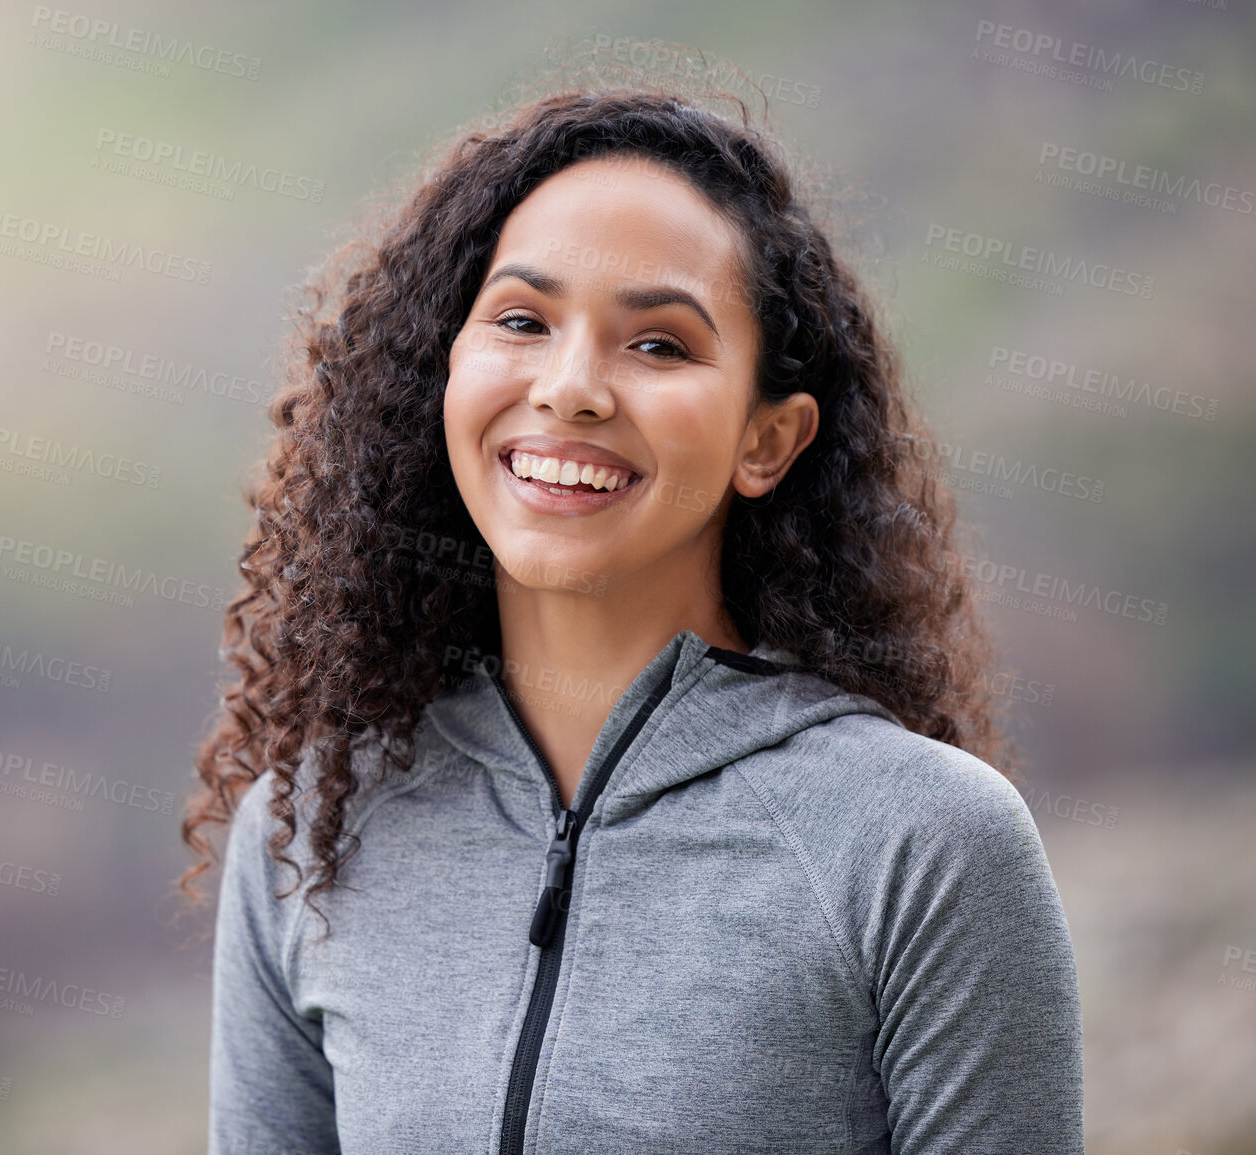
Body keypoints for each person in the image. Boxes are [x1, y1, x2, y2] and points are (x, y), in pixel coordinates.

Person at [182, 86, 1084, 1154]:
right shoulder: (312, 829)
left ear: (769, 440)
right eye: (521, 320)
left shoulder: (923, 844)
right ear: (445, 372)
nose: (571, 389)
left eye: (658, 345)